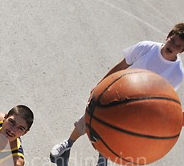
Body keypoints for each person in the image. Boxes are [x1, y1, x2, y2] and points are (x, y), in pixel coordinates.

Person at [50, 23, 184, 158]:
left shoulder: (177, 73)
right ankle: (68, 143)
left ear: (182, 50)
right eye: (172, 40)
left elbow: (165, 99)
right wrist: (100, 86)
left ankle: (105, 153)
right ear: (167, 36)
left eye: (178, 46)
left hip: (138, 110)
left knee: (114, 135)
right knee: (86, 120)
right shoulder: (146, 47)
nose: (172, 46)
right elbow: (122, 66)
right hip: (116, 94)